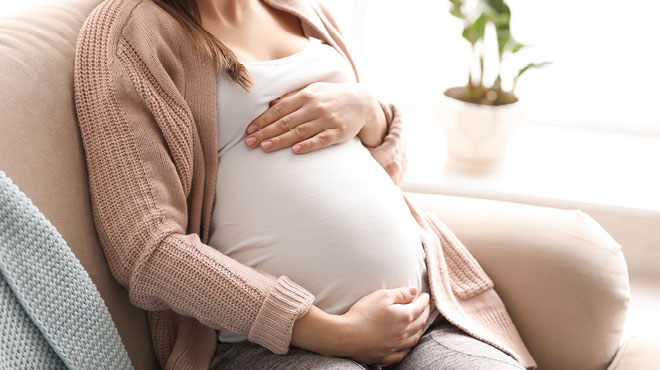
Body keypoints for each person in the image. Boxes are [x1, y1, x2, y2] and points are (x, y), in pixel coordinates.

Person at [72, 0, 537, 369]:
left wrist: (370, 112)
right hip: (271, 346)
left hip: (426, 318)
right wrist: (330, 331)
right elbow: (146, 250)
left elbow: (386, 175)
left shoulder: (303, 10)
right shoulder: (127, 36)